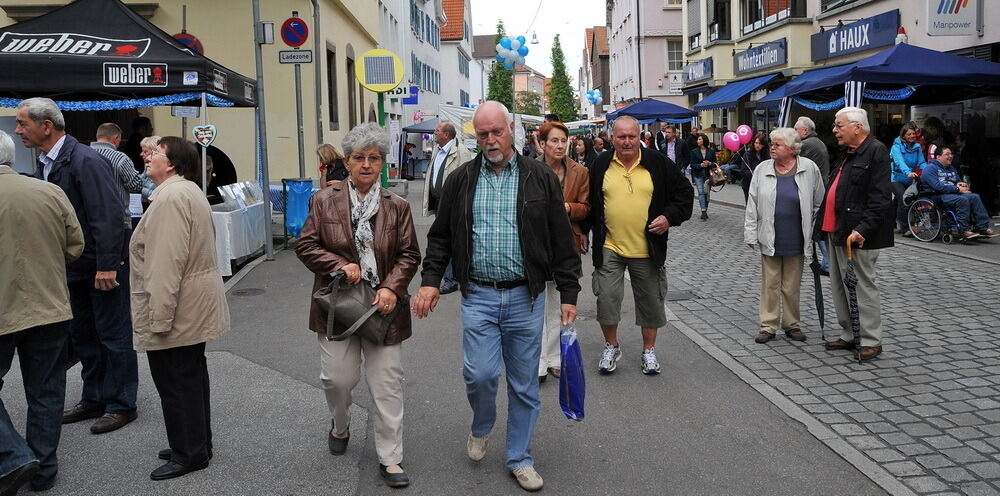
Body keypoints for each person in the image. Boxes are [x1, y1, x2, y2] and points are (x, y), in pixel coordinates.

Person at [412, 101, 581, 492]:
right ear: (476, 136)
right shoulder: (461, 180)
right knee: (481, 374)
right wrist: (430, 280)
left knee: (524, 384)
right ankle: (482, 425)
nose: (490, 140)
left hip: (526, 297)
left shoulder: (539, 178)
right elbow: (440, 239)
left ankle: (520, 457)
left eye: (496, 132)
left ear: (511, 130)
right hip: (480, 297)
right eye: (482, 134)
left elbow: (561, 238)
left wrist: (569, 291)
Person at [296, 122, 420, 488]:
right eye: (358, 157)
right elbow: (306, 245)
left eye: (374, 158)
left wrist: (392, 288)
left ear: (382, 163)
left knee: (387, 384)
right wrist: (340, 266)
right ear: (347, 162)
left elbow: (409, 253)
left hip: (383, 307)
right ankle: (340, 423)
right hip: (338, 304)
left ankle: (391, 458)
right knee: (337, 379)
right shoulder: (323, 200)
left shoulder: (397, 206)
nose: (366, 164)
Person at [17, 98, 138, 433]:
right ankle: (95, 397)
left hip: (100, 267)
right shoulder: (47, 160)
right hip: (74, 267)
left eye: (22, 123)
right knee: (85, 336)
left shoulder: (85, 160)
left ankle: (122, 403)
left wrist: (108, 265)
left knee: (113, 336)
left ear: (46, 126)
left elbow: (110, 215)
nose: (17, 130)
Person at [129, 137, 230, 480]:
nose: (147, 158)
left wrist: (160, 315)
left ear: (171, 163)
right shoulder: (183, 191)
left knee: (176, 380)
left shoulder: (171, 197)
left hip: (179, 303)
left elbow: (165, 265)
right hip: (191, 299)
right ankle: (195, 443)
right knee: (189, 376)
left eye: (155, 153)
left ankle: (190, 452)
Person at [0, 130, 84, 494]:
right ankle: (43, 467)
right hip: (50, 305)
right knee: (47, 389)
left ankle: (14, 457)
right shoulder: (48, 191)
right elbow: (75, 246)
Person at [587, 116, 694, 375]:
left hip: (647, 248)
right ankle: (611, 346)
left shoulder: (657, 163)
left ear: (640, 137)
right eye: (621, 137)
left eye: (631, 136)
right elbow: (590, 202)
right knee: (607, 300)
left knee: (650, 303)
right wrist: (583, 231)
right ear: (612, 138)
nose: (626, 142)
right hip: (610, 245)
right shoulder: (600, 164)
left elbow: (685, 194)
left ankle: (649, 351)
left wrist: (669, 217)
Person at [815, 107, 893, 361]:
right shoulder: (848, 153)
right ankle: (849, 333)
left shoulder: (876, 151)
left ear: (857, 127)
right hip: (837, 230)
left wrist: (863, 229)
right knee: (839, 285)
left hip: (857, 234)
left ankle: (871, 339)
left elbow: (881, 198)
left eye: (840, 125)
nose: (835, 130)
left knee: (863, 286)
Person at [744, 128, 825, 344]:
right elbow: (752, 204)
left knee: (792, 284)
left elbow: (819, 201)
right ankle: (768, 325)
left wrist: (813, 227)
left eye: (777, 144)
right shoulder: (762, 169)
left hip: (796, 237)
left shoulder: (809, 168)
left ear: (791, 148)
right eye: (771, 143)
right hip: (770, 235)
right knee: (770, 283)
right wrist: (751, 233)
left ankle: (792, 324)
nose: (772, 147)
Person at [536, 121, 590, 382]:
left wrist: (567, 208)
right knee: (537, 300)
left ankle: (556, 357)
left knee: (561, 300)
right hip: (536, 241)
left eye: (563, 141)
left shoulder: (579, 171)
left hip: (566, 241)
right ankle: (539, 359)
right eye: (554, 141)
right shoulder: (531, 169)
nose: (559, 146)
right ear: (542, 143)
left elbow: (586, 207)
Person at [422, 120, 469, 295]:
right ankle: (450, 277)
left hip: (453, 205)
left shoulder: (461, 152)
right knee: (442, 239)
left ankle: (451, 279)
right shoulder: (437, 150)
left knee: (449, 241)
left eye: (438, 130)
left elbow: (466, 181)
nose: (435, 132)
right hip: (439, 203)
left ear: (446, 134)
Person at [920, 146, 998, 239]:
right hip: (937, 196)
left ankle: (982, 227)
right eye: (947, 154)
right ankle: (964, 230)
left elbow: (957, 181)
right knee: (962, 199)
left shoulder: (951, 168)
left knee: (975, 197)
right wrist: (957, 189)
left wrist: (962, 185)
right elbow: (937, 186)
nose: (950, 156)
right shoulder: (930, 169)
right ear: (938, 157)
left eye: (951, 154)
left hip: (952, 193)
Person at [795, 117, 832, 273]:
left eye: (796, 130)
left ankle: (828, 263)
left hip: (815, 190)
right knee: (818, 226)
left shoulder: (807, 144)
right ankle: (827, 263)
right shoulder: (818, 142)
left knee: (817, 227)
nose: (794, 133)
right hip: (821, 187)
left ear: (805, 131)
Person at [91, 123, 143, 228]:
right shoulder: (120, 158)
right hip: (118, 221)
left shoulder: (82, 155)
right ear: (116, 138)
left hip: (89, 218)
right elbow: (136, 185)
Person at [888, 122, 923, 237]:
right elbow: (899, 162)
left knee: (897, 202)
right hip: (896, 178)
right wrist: (908, 172)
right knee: (905, 199)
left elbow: (921, 162)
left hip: (909, 178)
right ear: (903, 136)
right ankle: (905, 228)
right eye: (909, 134)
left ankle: (891, 223)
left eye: (913, 133)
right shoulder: (896, 147)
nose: (912, 136)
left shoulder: (917, 147)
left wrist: (929, 171)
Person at [956, 132, 997, 216]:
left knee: (977, 193)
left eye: (957, 140)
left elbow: (971, 164)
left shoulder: (967, 151)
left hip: (975, 176)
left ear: (963, 141)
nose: (955, 142)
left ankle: (980, 212)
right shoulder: (972, 149)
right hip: (979, 175)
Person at [730, 132, 769, 203]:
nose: (757, 145)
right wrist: (754, 174)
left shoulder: (766, 155)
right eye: (756, 143)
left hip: (762, 185)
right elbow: (743, 170)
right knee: (750, 205)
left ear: (764, 145)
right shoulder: (748, 154)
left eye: (760, 144)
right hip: (749, 184)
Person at [689, 133, 717, 220]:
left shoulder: (711, 151)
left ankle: (705, 209)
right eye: (698, 139)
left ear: (704, 140)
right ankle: (703, 211)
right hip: (698, 175)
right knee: (701, 192)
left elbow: (715, 164)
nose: (698, 141)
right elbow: (692, 164)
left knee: (707, 193)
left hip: (708, 175)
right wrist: (700, 165)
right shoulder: (694, 151)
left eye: (700, 139)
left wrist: (709, 163)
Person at [139, 135, 162, 204]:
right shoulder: (147, 166)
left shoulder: (161, 170)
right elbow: (139, 181)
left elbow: (156, 195)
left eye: (145, 152)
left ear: (155, 152)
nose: (141, 154)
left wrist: (140, 189)